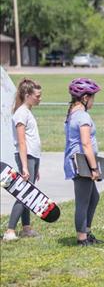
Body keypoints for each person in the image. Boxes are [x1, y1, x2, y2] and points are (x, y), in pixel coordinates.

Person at [63, 78, 103, 246]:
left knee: (93, 197)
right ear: (85, 98)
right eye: (93, 97)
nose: (94, 101)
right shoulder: (82, 116)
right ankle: (81, 239)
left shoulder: (74, 113)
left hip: (80, 162)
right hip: (81, 163)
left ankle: (86, 232)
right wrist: (94, 168)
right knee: (83, 201)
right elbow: (86, 144)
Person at [3, 79, 42, 241]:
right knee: (24, 193)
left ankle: (26, 228)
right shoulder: (21, 114)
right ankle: (10, 230)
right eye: (37, 96)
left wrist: (35, 166)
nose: (40, 98)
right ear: (27, 95)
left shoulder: (27, 111)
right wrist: (25, 166)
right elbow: (21, 142)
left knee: (28, 193)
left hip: (33, 157)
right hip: (26, 158)